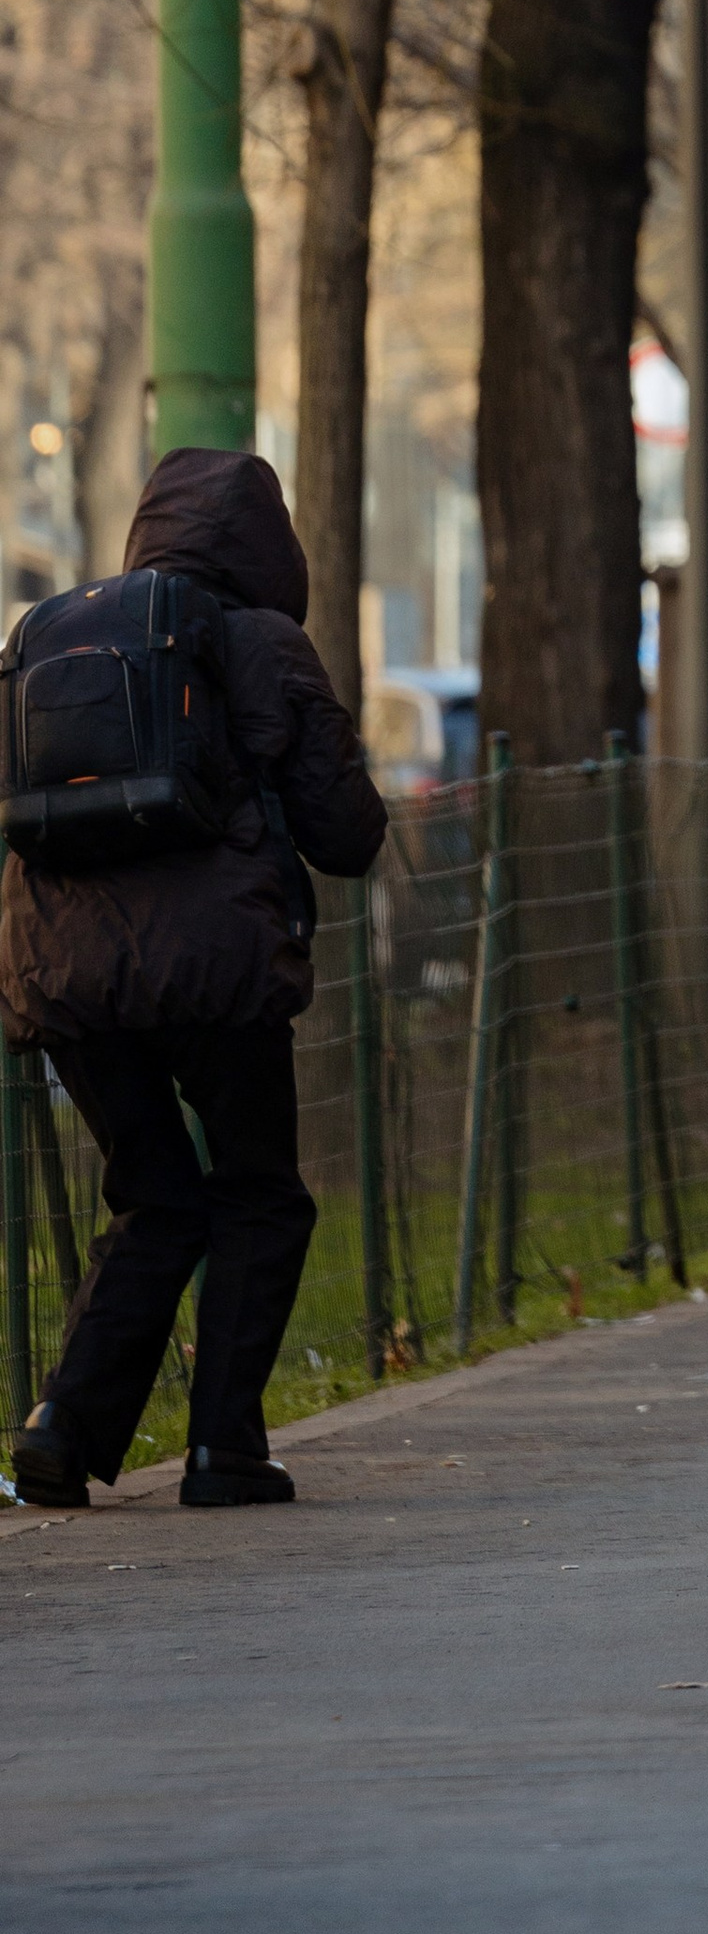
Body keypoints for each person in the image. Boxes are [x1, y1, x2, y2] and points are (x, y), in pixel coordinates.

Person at [3, 451, 386, 1511]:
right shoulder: (263, 641)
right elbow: (346, 834)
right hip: (217, 971)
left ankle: (60, 1426)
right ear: (270, 544)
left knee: (155, 1196)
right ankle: (225, 1448)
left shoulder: (56, 636)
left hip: (63, 973)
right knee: (259, 1193)